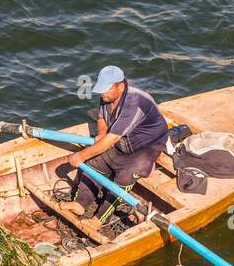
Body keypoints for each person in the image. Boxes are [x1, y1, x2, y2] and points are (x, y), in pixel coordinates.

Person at [64, 65, 169, 216]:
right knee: (94, 162)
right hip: (123, 141)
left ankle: (100, 218)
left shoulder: (134, 102)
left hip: (147, 145)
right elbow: (101, 117)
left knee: (126, 176)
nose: (102, 93)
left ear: (120, 86)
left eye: (106, 89)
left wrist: (80, 155)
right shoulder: (107, 97)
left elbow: (112, 139)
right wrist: (101, 133)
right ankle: (80, 203)